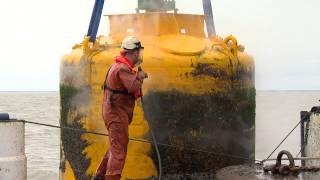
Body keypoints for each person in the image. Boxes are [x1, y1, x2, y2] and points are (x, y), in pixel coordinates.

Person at [94, 36, 148, 180]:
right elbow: (133, 86)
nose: (139, 55)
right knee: (119, 151)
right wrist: (141, 76)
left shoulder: (117, 66)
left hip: (114, 112)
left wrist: (137, 75)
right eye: (138, 51)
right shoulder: (122, 68)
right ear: (134, 52)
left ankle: (99, 176)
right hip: (116, 114)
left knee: (115, 146)